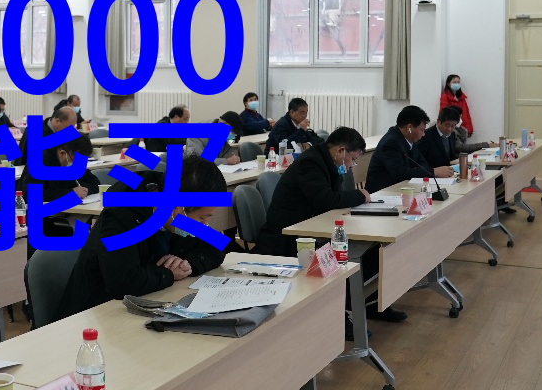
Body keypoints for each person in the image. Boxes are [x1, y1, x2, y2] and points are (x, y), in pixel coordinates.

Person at [254, 128, 402, 326]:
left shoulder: (327, 161)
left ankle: (370, 303)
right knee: (348, 251)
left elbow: (331, 199)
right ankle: (339, 316)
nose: (352, 165)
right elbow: (326, 199)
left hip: (310, 224)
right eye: (353, 159)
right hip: (288, 236)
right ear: (340, 151)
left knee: (374, 249)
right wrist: (360, 195)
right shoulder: (311, 162)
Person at [53, 155, 227, 321]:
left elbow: (217, 248)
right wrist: (168, 274)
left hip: (147, 304)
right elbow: (123, 283)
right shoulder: (122, 212)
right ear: (177, 208)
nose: (205, 225)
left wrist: (187, 263)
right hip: (94, 315)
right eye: (201, 218)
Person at [364, 105, 454, 194]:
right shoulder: (391, 142)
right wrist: (434, 172)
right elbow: (400, 172)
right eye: (421, 130)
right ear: (409, 127)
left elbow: (421, 163)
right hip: (381, 193)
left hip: (399, 188)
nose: (423, 134)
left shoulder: (409, 139)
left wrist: (432, 172)